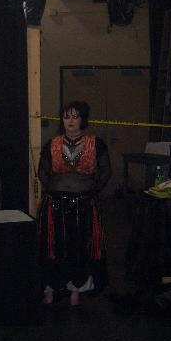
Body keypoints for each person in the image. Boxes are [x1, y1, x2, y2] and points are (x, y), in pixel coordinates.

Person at [37, 100, 111, 306]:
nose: (70, 121)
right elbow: (42, 171)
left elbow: (106, 171)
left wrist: (93, 191)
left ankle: (76, 288)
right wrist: (52, 190)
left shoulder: (96, 143)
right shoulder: (52, 143)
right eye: (66, 116)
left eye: (75, 116)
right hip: (55, 206)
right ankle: (51, 287)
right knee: (53, 247)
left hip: (84, 205)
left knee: (79, 247)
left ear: (82, 119)